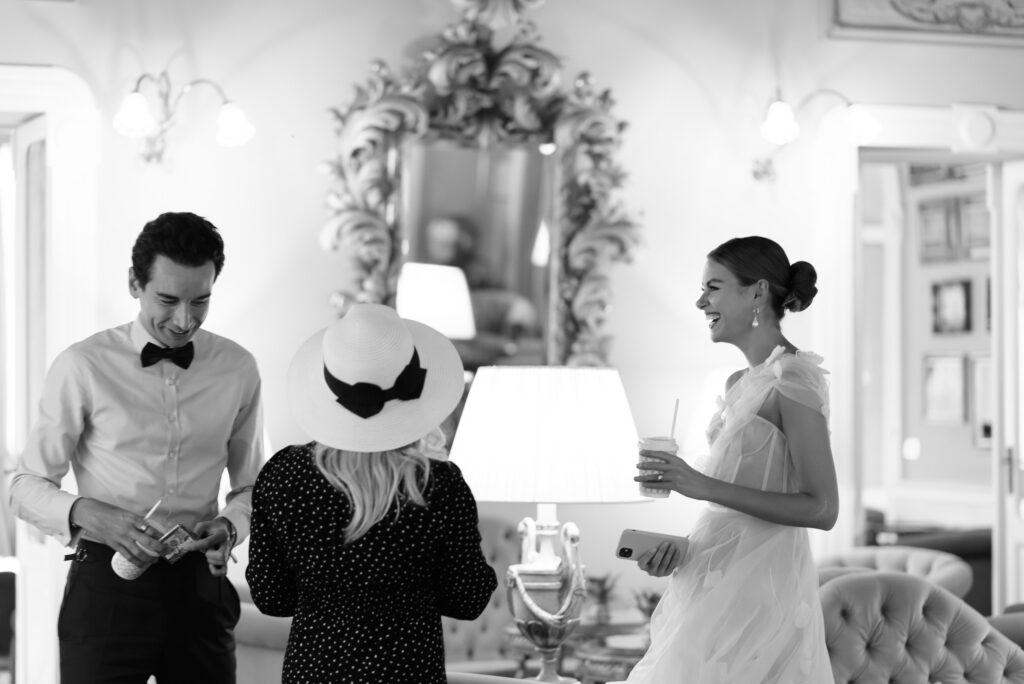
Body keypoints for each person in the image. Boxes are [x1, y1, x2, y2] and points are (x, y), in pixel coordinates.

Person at [10, 211, 263, 683]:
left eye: (200, 301)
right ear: (134, 283)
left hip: (200, 592)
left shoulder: (238, 368)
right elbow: (24, 485)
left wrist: (230, 525)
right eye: (168, 300)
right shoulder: (82, 365)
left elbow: (252, 486)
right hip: (105, 591)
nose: (184, 320)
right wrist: (89, 513)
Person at [620, 236, 838, 683]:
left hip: (763, 598)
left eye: (713, 287)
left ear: (757, 291)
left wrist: (700, 484)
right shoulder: (740, 381)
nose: (701, 302)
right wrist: (684, 551)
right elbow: (736, 516)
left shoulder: (795, 378)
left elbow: (822, 508)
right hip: (712, 586)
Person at [245, 303, 498, 683]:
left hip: (314, 673)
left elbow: (272, 597)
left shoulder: (283, 475)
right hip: (408, 673)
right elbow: (469, 598)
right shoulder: (438, 484)